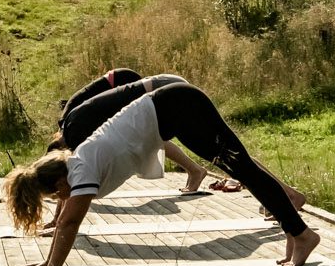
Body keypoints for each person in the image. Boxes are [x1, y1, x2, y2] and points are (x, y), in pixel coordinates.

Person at [3, 81, 318, 266]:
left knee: (242, 168)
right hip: (174, 108)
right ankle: (294, 231)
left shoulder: (82, 168)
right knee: (243, 167)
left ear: (58, 185)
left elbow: (68, 224)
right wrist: (47, 264)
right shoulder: (79, 163)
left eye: (54, 198)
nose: (60, 204)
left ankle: (301, 234)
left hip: (179, 106)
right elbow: (65, 223)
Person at [50, 73, 213, 195]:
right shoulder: (72, 122)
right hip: (154, 85)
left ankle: (196, 171)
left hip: (160, 87)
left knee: (153, 137)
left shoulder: (74, 131)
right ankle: (195, 170)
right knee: (153, 137)